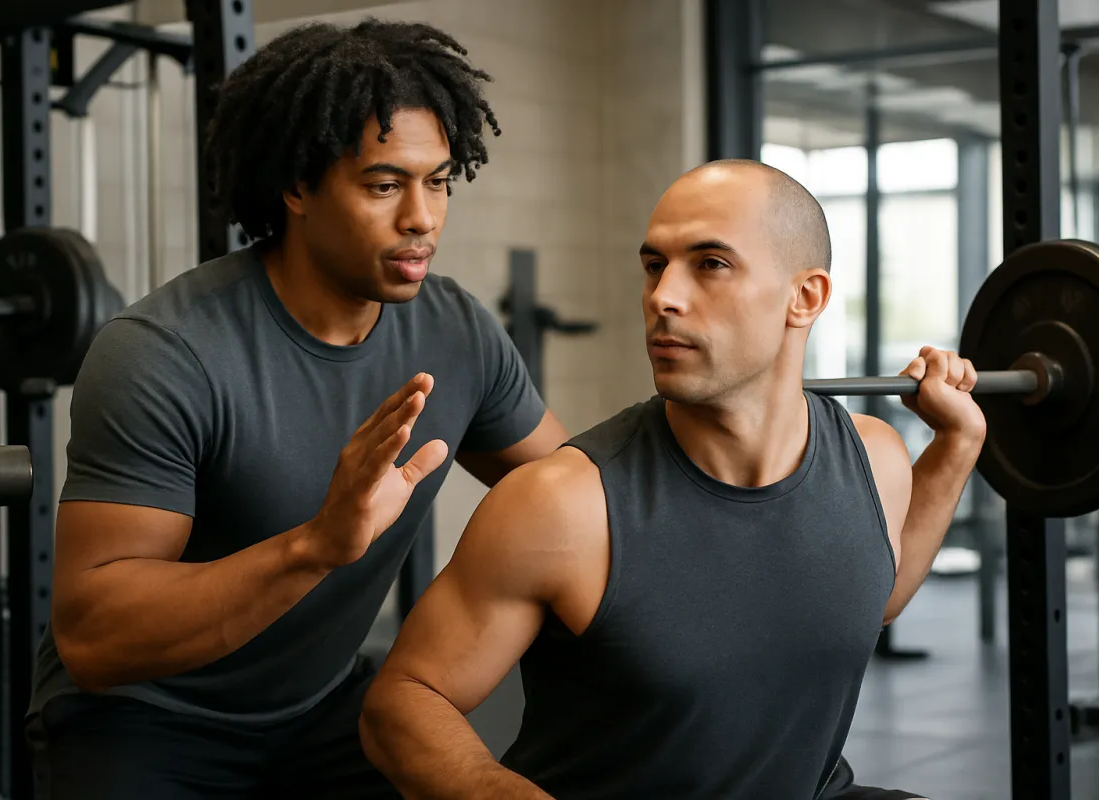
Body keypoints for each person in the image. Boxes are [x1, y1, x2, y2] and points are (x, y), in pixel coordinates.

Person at [25, 18, 568, 800]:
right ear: (298, 186)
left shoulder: (457, 332)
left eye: (440, 180)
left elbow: (571, 492)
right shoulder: (164, 352)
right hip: (143, 718)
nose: (424, 216)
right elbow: (92, 638)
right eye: (385, 185)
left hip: (318, 710)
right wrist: (316, 545)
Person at [359, 159, 987, 800]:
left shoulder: (874, 456)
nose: (663, 296)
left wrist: (959, 443)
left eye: (710, 264)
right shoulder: (565, 505)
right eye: (655, 265)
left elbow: (868, 595)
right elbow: (403, 701)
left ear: (806, 298)